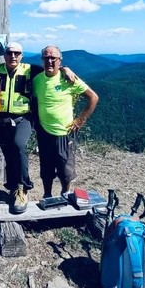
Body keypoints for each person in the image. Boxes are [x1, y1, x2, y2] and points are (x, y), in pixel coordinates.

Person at [0, 41, 75, 214]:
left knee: (19, 146)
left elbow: (51, 67)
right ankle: (13, 188)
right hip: (0, 121)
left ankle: (23, 188)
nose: (13, 56)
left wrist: (65, 68)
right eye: (9, 53)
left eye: (17, 53)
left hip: (22, 119)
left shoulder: (30, 70)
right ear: (4, 55)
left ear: (22, 55)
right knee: (8, 154)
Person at [32, 45, 99, 198]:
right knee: (46, 167)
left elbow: (93, 97)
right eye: (46, 58)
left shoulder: (69, 79)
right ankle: (47, 195)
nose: (49, 61)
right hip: (44, 131)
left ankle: (65, 193)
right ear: (42, 60)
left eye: (53, 58)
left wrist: (81, 120)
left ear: (59, 61)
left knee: (65, 168)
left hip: (65, 132)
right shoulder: (37, 80)